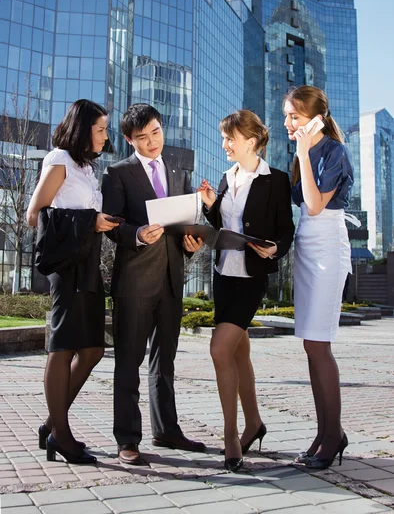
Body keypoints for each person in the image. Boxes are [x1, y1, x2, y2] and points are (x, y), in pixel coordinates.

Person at [102, 103, 205, 466]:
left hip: (172, 278)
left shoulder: (177, 170)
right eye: (142, 138)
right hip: (134, 281)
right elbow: (112, 226)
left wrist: (192, 243)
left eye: (156, 133)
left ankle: (167, 429)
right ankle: (127, 439)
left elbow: (186, 222)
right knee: (129, 361)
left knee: (165, 361)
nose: (151, 143)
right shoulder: (117, 173)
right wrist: (138, 234)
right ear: (129, 140)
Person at [198, 110, 294, 472]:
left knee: (219, 348)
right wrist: (210, 206)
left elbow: (286, 230)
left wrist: (275, 249)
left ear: (250, 141)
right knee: (239, 354)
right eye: (224, 138)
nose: (224, 144)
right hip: (223, 274)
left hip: (252, 278)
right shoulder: (226, 178)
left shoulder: (276, 180)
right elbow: (223, 225)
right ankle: (255, 423)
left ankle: (230, 436)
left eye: (230, 138)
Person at [26, 99, 119, 464]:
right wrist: (88, 221)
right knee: (62, 347)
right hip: (66, 268)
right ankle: (61, 436)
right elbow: (35, 215)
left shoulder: (86, 168)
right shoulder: (59, 160)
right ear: (82, 130)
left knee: (93, 349)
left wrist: (100, 220)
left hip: (89, 264)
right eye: (100, 129)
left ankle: (52, 423)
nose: (105, 135)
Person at [283, 85, 353, 470]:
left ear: (316, 117)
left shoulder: (334, 152)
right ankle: (326, 431)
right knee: (310, 346)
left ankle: (333, 435)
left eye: (294, 115)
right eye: (287, 115)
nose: (288, 122)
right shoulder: (306, 153)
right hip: (306, 247)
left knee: (320, 344)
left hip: (328, 247)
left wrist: (301, 154)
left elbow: (313, 204)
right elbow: (293, 197)